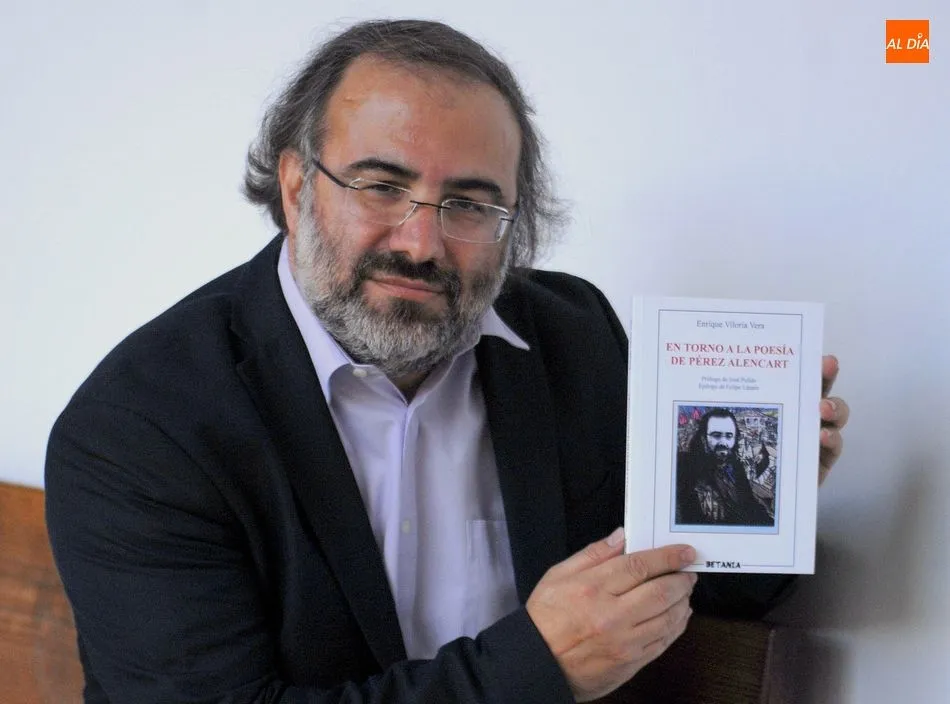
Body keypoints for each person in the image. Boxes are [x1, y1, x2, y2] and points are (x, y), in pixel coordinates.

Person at [44, 19, 850, 704]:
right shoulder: (139, 431)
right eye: (380, 186)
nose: (420, 242)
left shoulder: (574, 338)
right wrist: (539, 665)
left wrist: (755, 505)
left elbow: (683, 586)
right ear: (296, 188)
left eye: (469, 204)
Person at [675, 408, 773, 526]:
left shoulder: (736, 468)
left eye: (729, 436)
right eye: (716, 435)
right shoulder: (685, 469)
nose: (723, 442)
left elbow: (750, 504)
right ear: (703, 438)